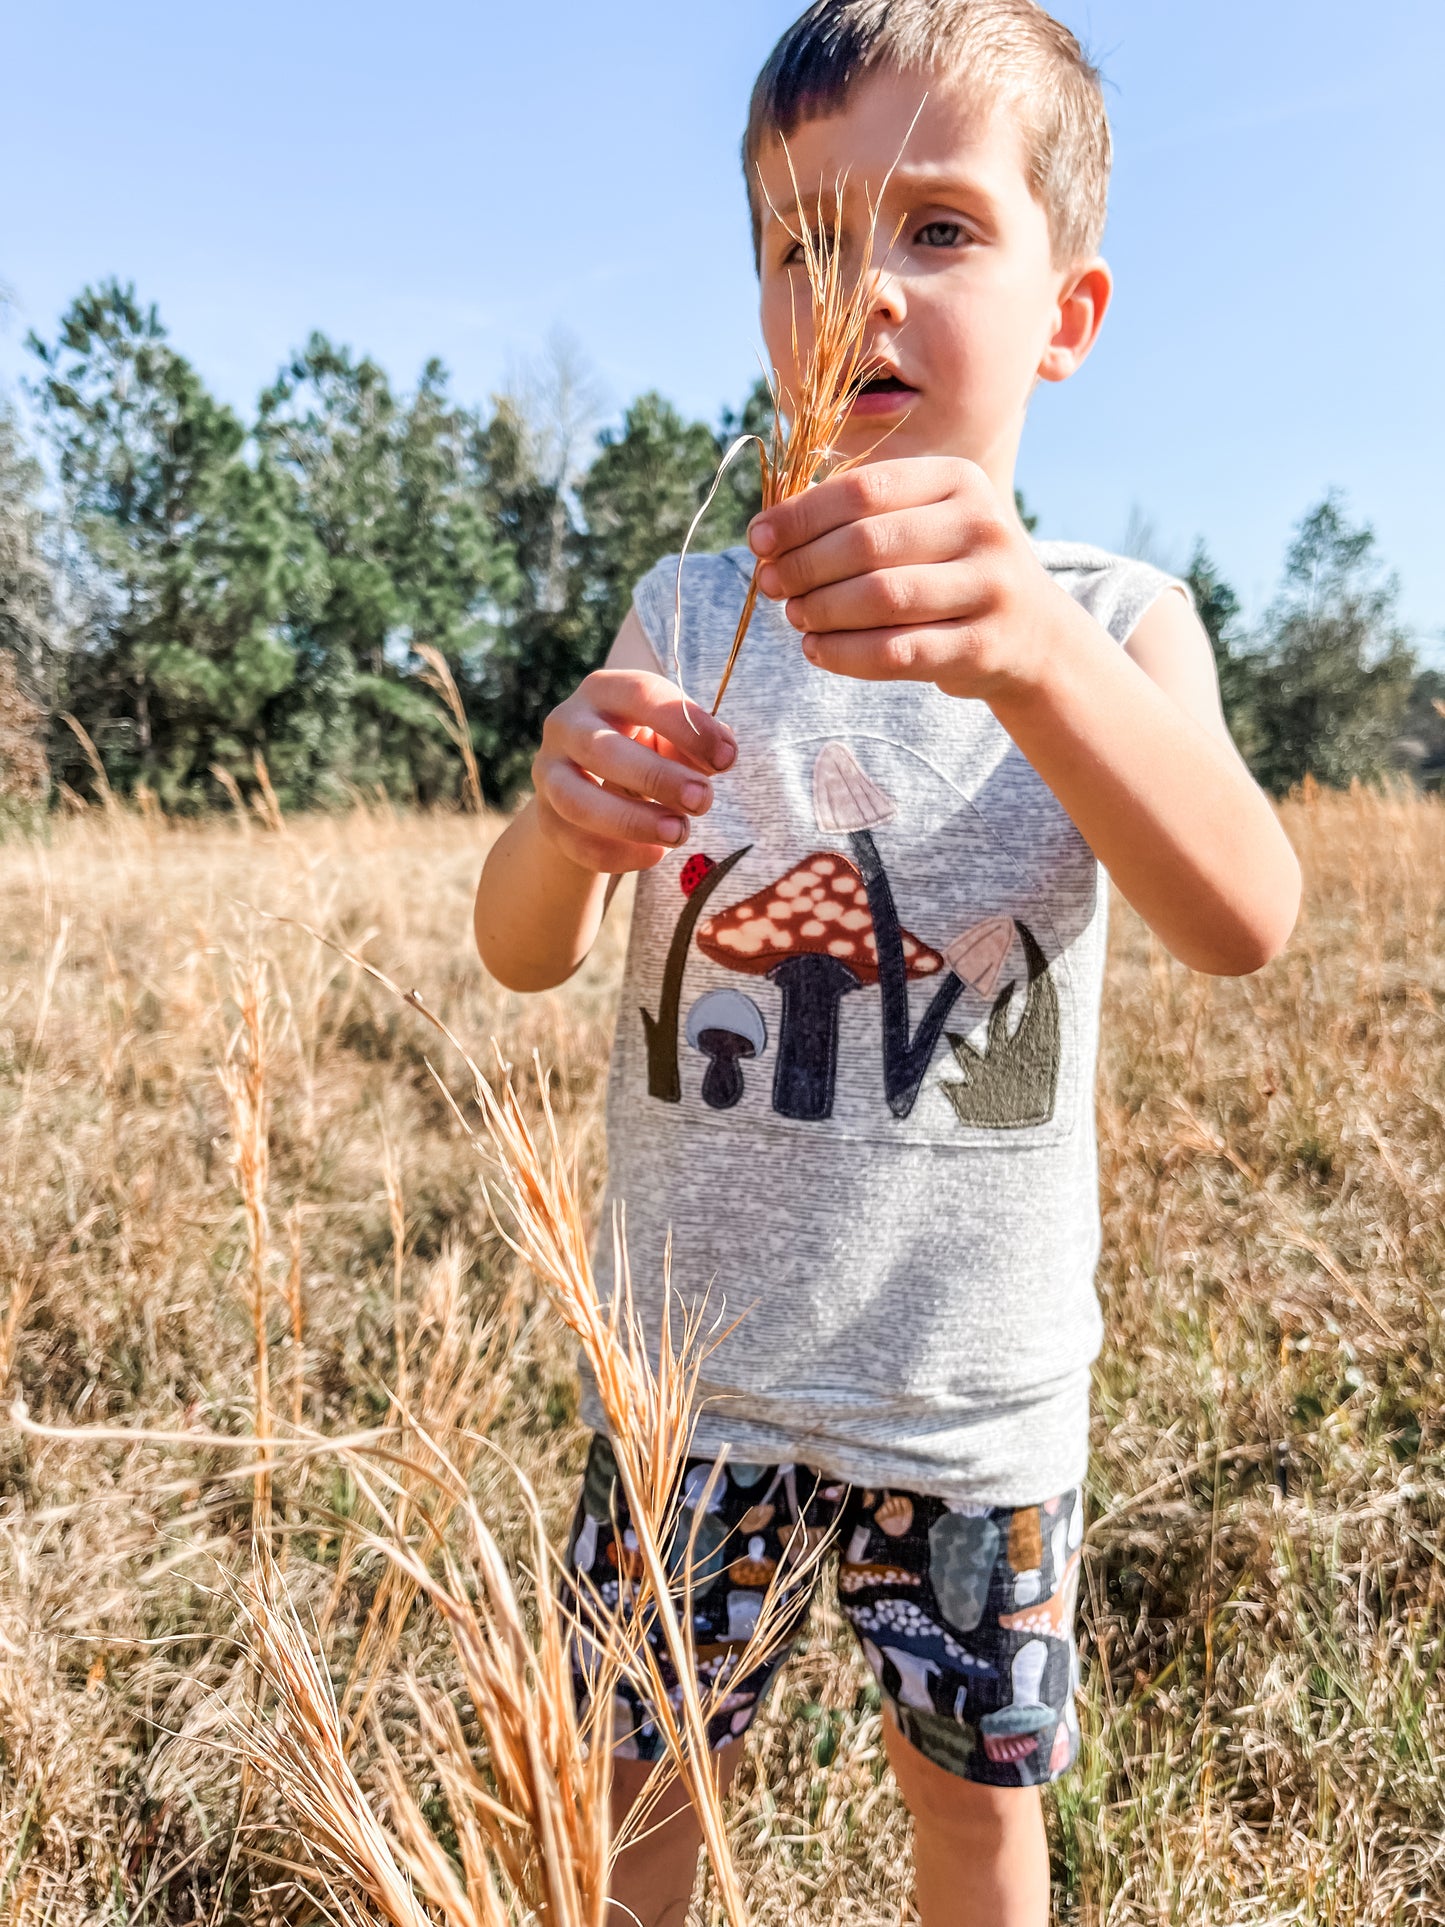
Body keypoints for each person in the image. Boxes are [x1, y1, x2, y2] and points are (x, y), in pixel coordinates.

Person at [474, 2, 1301, 1920]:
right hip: (691, 1380)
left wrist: (1025, 645)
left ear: (1066, 314)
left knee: (975, 1811)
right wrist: (557, 822)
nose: (859, 288)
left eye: (936, 229)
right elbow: (524, 953)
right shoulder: (692, 605)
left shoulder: (1112, 624)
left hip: (970, 1400)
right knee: (635, 1784)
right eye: (802, 238)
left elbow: (1241, 916)